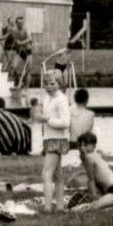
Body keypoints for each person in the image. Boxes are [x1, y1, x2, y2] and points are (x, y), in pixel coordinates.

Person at [30, 74, 71, 211]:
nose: (49, 87)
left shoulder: (61, 99)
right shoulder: (48, 98)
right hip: (50, 138)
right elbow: (38, 112)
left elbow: (65, 122)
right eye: (46, 84)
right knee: (57, 174)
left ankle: (47, 207)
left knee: (46, 173)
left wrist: (47, 119)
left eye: (53, 83)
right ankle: (59, 207)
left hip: (57, 139)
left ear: (60, 84)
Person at [69, 132, 113, 213]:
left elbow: (91, 179)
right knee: (97, 207)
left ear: (94, 146)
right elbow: (97, 179)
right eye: (80, 145)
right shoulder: (92, 155)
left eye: (85, 145)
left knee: (90, 208)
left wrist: (94, 197)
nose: (82, 148)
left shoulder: (89, 157)